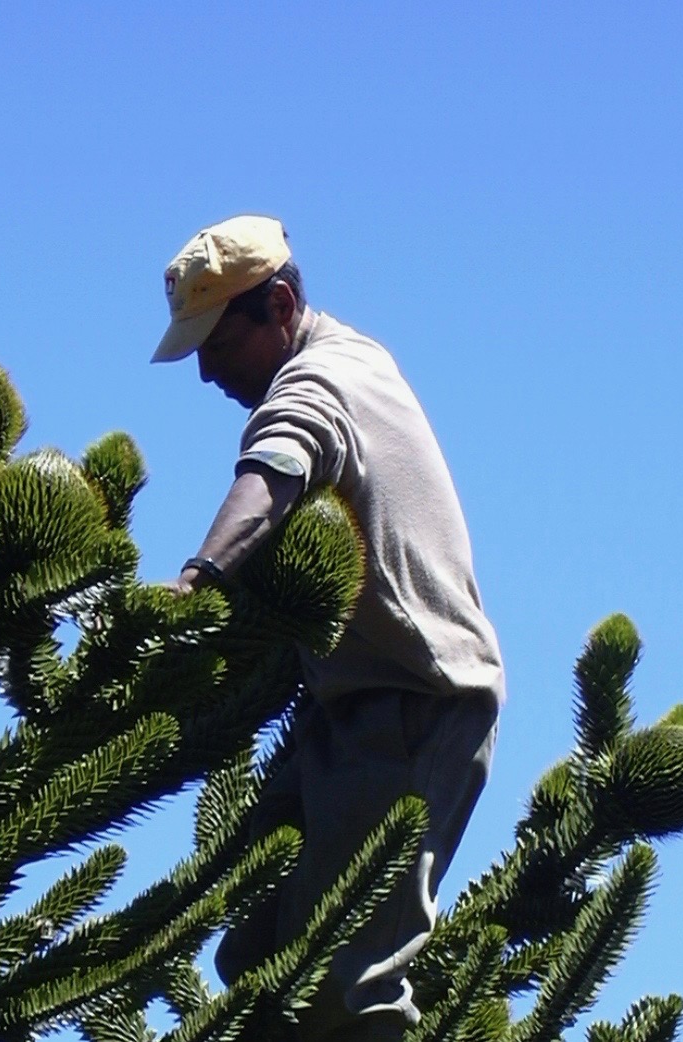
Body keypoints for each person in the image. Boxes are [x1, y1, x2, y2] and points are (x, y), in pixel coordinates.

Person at [152, 215, 505, 1042]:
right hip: (341, 711)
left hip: (419, 703)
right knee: (256, 955)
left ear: (278, 304)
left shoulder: (318, 383)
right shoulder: (357, 355)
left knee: (347, 983)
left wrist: (198, 581)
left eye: (216, 343)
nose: (205, 371)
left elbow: (276, 470)